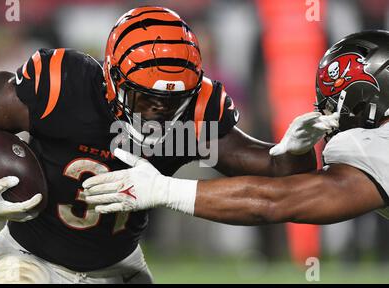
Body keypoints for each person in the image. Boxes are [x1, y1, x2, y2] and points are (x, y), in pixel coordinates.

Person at [0, 6, 335, 284]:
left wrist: (295, 148)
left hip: (119, 267)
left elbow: (285, 180)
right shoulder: (62, 85)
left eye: (173, 99)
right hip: (30, 261)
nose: (159, 111)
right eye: (146, 96)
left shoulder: (196, 114)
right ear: (113, 79)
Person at [83, 30, 389, 227]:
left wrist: (163, 190)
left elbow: (276, 202)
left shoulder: (378, 145)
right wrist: (295, 154)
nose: (326, 112)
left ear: (364, 99)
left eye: (332, 103)